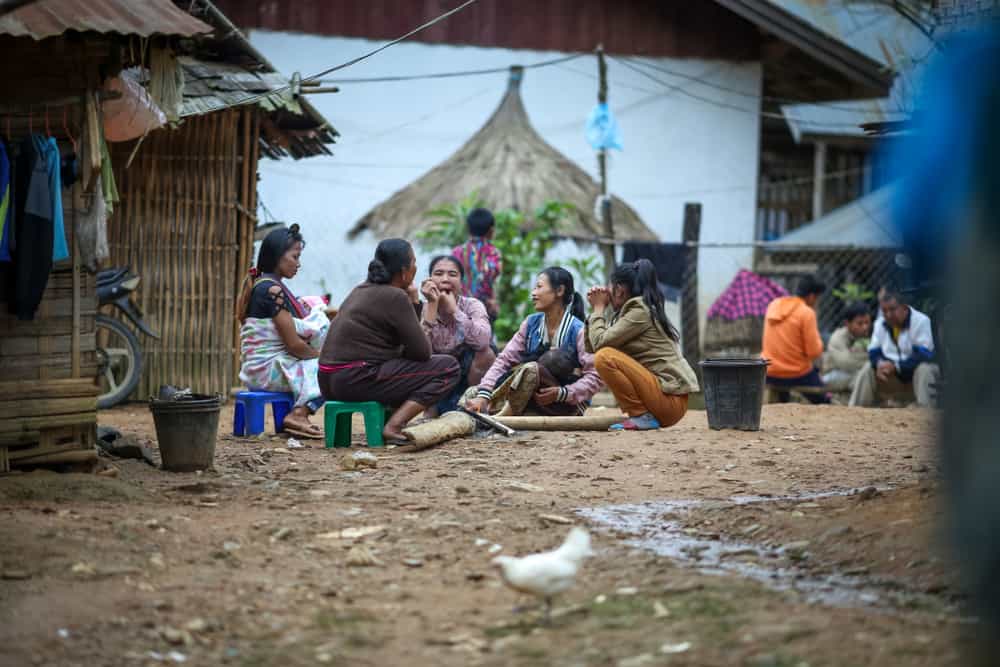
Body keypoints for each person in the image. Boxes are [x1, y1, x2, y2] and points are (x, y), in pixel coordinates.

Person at [318, 239, 460, 443]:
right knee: (448, 368)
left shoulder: (360, 290)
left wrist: (412, 300)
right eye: (413, 262)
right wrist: (424, 304)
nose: (416, 267)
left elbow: (405, 345)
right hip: (355, 379)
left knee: (406, 368)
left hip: (328, 381)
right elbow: (422, 353)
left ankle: (389, 421)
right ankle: (394, 426)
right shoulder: (394, 296)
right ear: (404, 272)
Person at [466, 267, 602, 416]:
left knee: (531, 369)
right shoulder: (531, 323)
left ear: (560, 291)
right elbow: (504, 360)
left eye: (539, 287)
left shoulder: (579, 330)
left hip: (567, 404)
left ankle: (499, 418)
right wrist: (483, 394)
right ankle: (500, 410)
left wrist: (563, 393)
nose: (533, 293)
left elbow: (595, 377)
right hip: (533, 399)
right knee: (472, 393)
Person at [235, 224, 328, 439]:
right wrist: (324, 359)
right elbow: (294, 345)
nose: (298, 264)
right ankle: (299, 414)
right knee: (332, 371)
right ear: (278, 256)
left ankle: (297, 412)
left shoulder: (263, 284)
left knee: (324, 366)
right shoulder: (272, 290)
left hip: (256, 370)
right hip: (267, 371)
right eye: (295, 256)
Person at [585, 259, 699, 430]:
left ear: (620, 290)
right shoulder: (633, 312)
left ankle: (641, 415)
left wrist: (599, 309)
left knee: (605, 357)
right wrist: (597, 311)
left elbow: (600, 345)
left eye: (610, 288)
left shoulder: (640, 312)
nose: (607, 292)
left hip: (670, 401)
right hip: (665, 399)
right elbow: (592, 346)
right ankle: (641, 415)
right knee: (604, 355)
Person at [419, 255, 497, 415]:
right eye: (438, 274)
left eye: (452, 274)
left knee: (487, 352)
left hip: (468, 374)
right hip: (438, 376)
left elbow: (483, 341)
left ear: (461, 283)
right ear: (429, 280)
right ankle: (430, 411)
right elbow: (420, 351)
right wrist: (432, 307)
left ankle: (472, 408)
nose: (445, 279)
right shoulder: (422, 308)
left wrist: (455, 311)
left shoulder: (472, 305)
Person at [849, 289, 939, 407]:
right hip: (892, 379)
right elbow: (873, 352)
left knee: (925, 369)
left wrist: (896, 366)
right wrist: (880, 364)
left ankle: (925, 410)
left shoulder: (921, 321)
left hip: (914, 379)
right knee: (868, 369)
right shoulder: (880, 323)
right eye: (884, 310)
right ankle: (856, 410)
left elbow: (924, 355)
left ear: (905, 307)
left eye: (892, 309)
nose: (888, 315)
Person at [760, 275, 831, 404]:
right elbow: (813, 352)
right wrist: (820, 343)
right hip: (795, 374)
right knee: (822, 399)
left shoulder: (774, 305)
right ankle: (827, 403)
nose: (817, 302)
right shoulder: (806, 313)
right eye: (817, 298)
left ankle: (783, 402)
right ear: (811, 297)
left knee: (786, 374)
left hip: (769, 371)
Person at [452, 207, 502, 320]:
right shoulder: (493, 253)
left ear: (469, 229)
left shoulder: (456, 252)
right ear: (491, 230)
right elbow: (493, 278)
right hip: (485, 308)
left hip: (459, 308)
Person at [821, 302, 873, 393]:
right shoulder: (837, 337)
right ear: (847, 323)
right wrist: (871, 360)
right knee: (863, 377)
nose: (865, 327)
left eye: (867, 322)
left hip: (853, 373)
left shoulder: (870, 336)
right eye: (860, 323)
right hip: (832, 374)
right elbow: (847, 363)